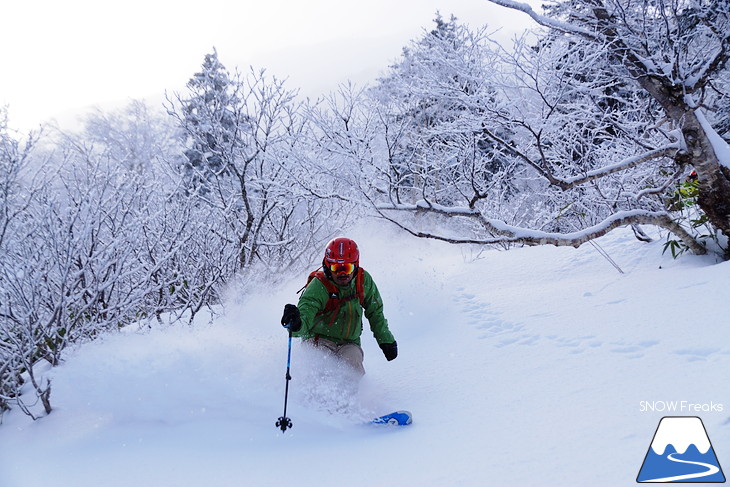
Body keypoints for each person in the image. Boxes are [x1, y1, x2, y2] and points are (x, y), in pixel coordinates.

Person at [280, 237, 397, 379]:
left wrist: (385, 340)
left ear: (356, 265)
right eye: (336, 268)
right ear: (328, 266)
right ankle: (312, 397)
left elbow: (375, 312)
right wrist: (296, 323)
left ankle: (353, 399)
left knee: (353, 367)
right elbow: (306, 312)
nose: (343, 274)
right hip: (319, 339)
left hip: (349, 343)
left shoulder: (362, 280)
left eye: (347, 268)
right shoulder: (319, 286)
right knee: (322, 366)